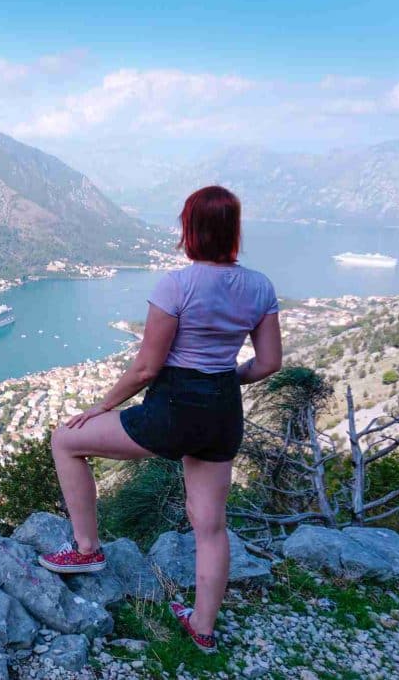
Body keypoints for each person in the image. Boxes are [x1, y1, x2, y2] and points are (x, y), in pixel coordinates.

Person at [37, 185, 282, 654]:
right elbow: (268, 363)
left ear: (188, 229)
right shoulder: (260, 286)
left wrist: (101, 407)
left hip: (172, 410)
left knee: (66, 441)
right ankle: (203, 628)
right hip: (224, 412)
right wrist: (228, 378)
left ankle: (86, 549)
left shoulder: (177, 285)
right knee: (210, 524)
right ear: (234, 229)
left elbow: (147, 368)